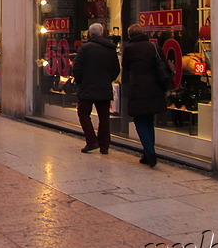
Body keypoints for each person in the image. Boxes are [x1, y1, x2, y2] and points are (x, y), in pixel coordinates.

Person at [122, 23, 168, 168]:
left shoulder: (129, 49)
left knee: (140, 121)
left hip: (138, 87)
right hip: (154, 87)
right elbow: (163, 64)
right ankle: (147, 152)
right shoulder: (153, 47)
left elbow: (126, 67)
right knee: (149, 120)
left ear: (130, 36)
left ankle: (150, 152)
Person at [72, 23, 120, 154]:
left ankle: (92, 141)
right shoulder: (110, 48)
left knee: (83, 113)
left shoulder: (84, 48)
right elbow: (116, 69)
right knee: (104, 117)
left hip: (87, 87)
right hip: (104, 87)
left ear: (90, 34)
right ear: (102, 33)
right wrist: (107, 80)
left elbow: (77, 68)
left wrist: (79, 81)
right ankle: (104, 145)